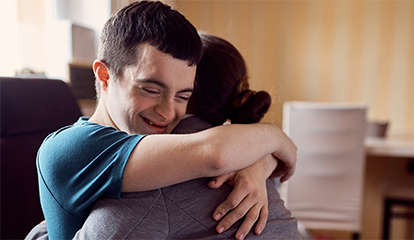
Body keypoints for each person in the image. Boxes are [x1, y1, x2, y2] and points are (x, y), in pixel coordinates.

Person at [34, 1, 297, 240]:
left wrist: (258, 163)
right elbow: (214, 153)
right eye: (150, 90)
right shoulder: (69, 147)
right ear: (105, 75)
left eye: (183, 96)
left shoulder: (154, 145)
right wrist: (274, 137)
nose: (169, 113)